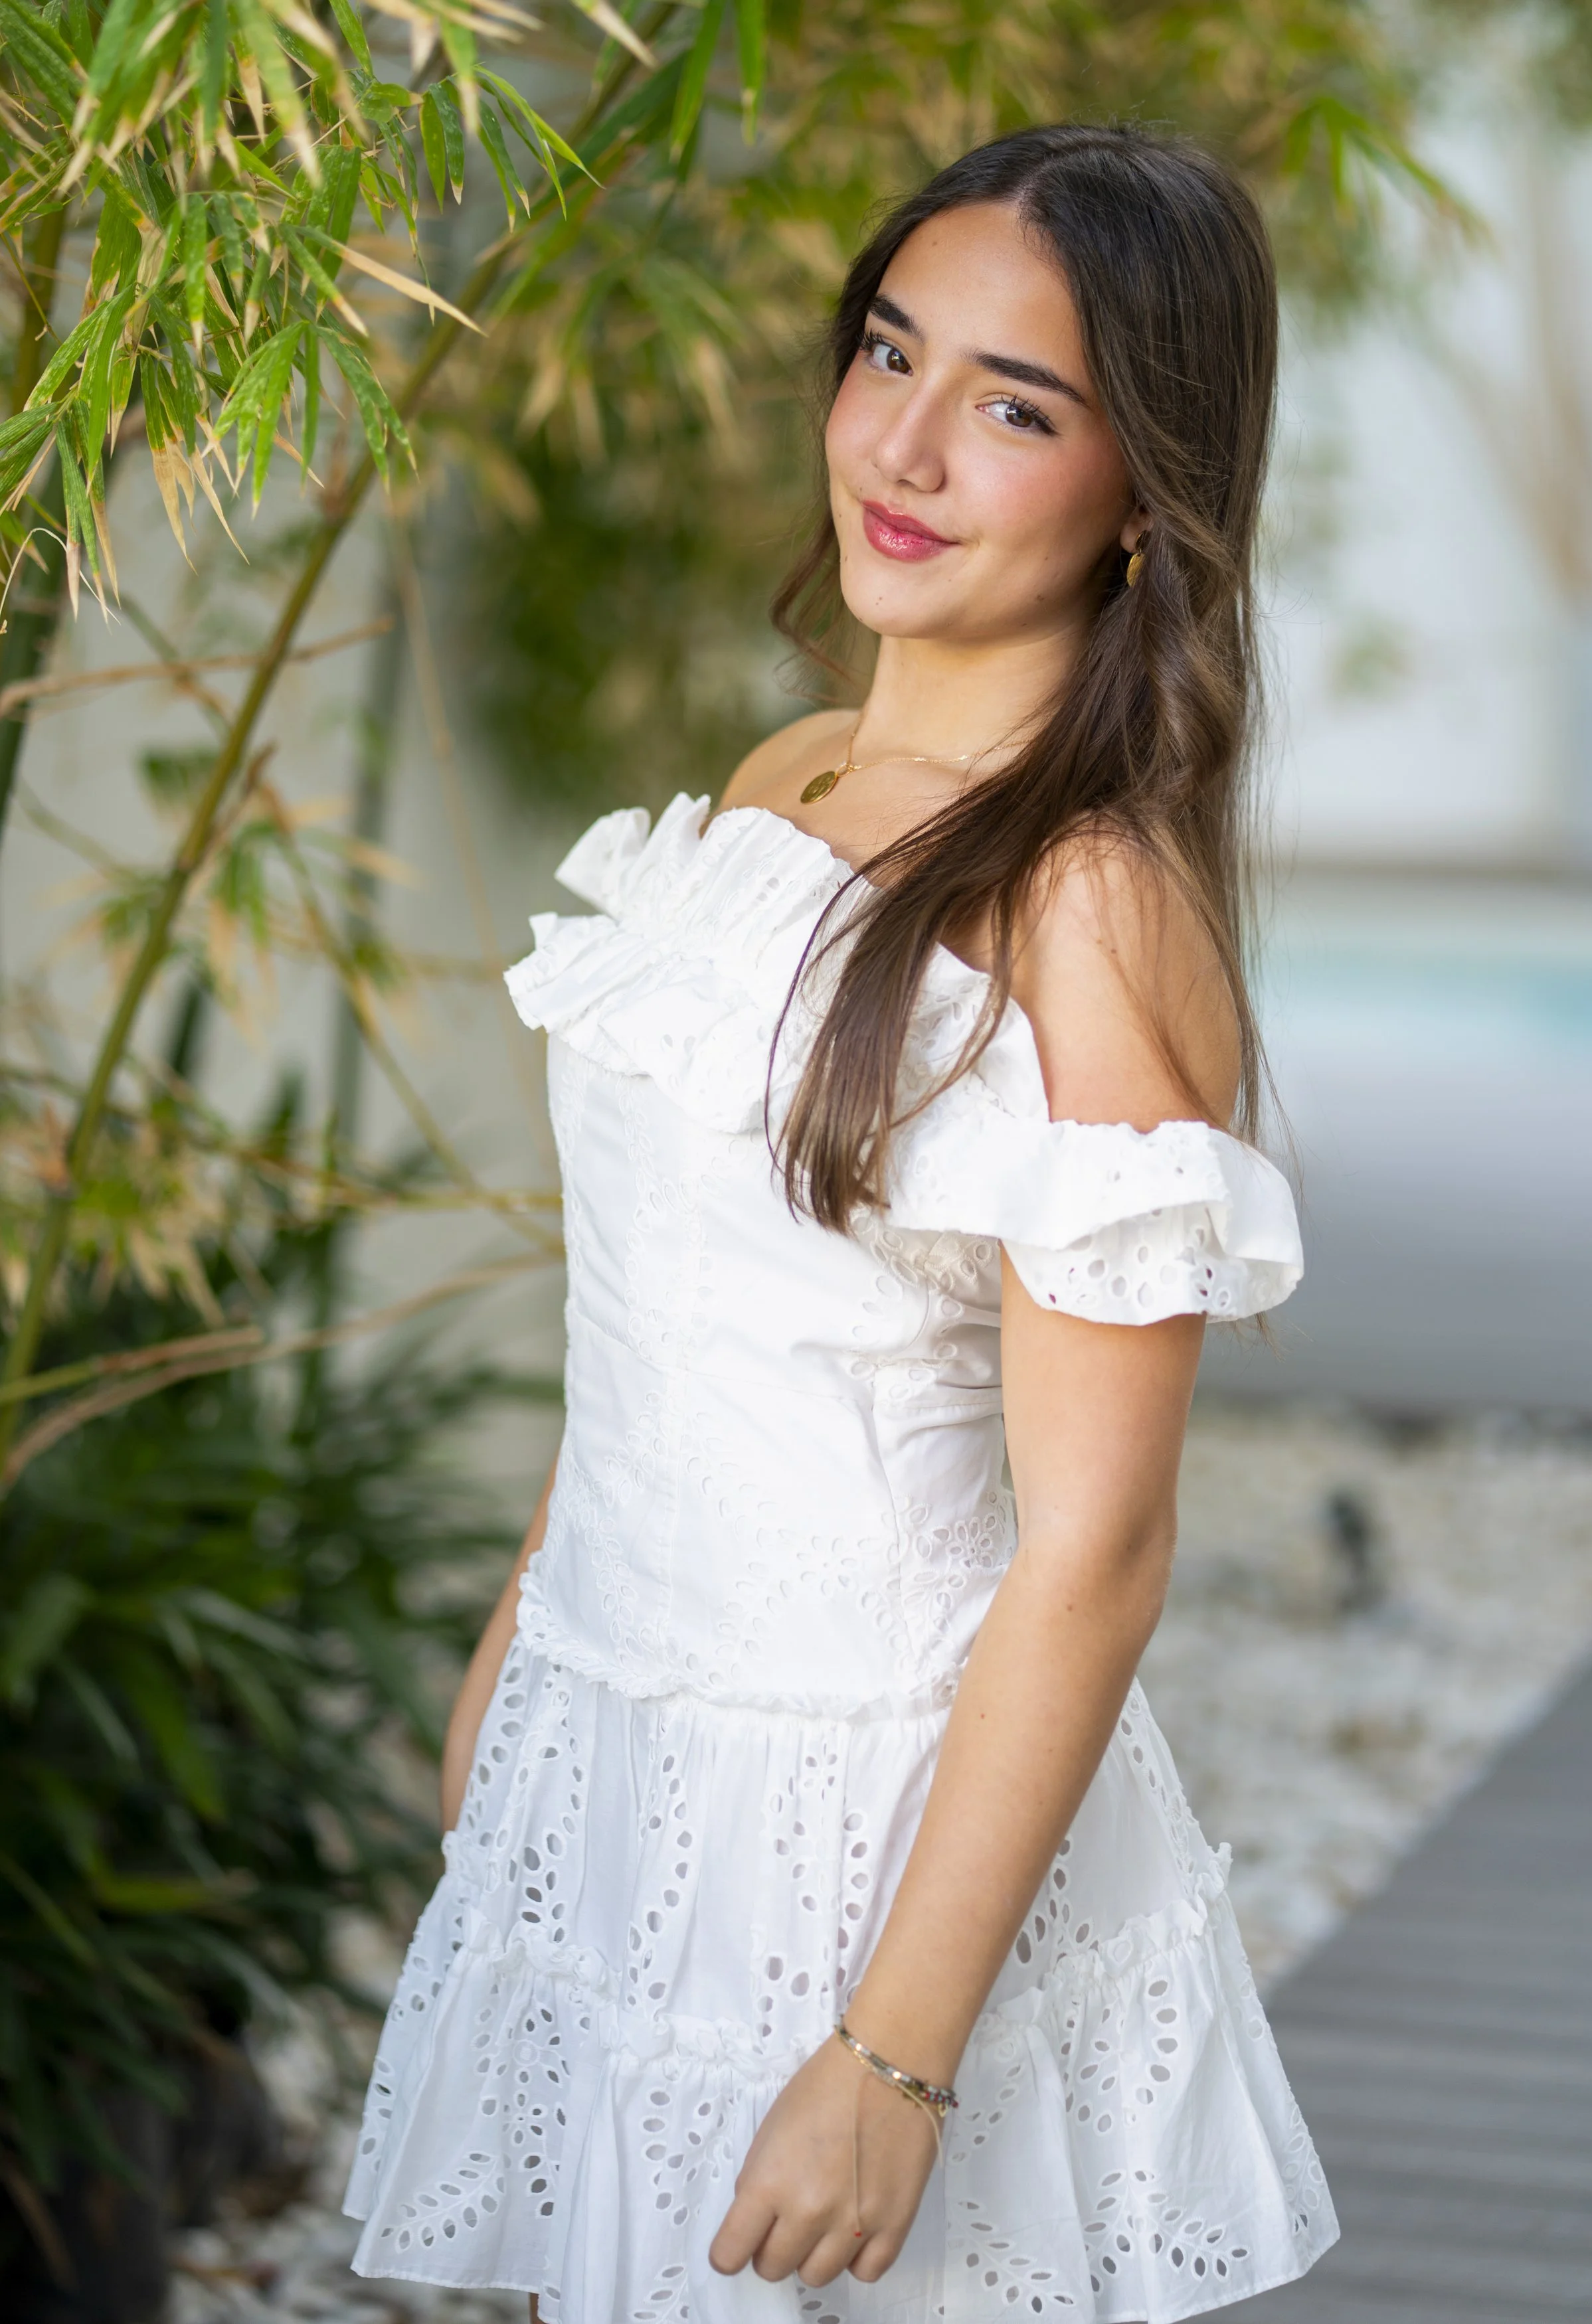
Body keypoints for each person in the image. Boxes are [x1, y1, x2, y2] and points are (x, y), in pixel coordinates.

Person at [345, 122, 1337, 2321]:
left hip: (867, 1810)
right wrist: (527, 1637)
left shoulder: (1085, 905)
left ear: (1143, 486)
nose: (901, 446)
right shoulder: (784, 775)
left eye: (1014, 406)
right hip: (619, 1722)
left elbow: (1099, 1547)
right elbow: (671, 1305)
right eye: (888, 353)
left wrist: (893, 2055)